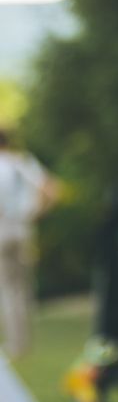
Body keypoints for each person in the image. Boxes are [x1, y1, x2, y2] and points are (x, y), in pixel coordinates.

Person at [0, 129, 57, 358]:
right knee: (22, 286)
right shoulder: (21, 161)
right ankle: (22, 342)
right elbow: (51, 189)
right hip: (24, 228)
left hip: (2, 228)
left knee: (7, 286)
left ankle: (16, 344)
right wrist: (34, 214)